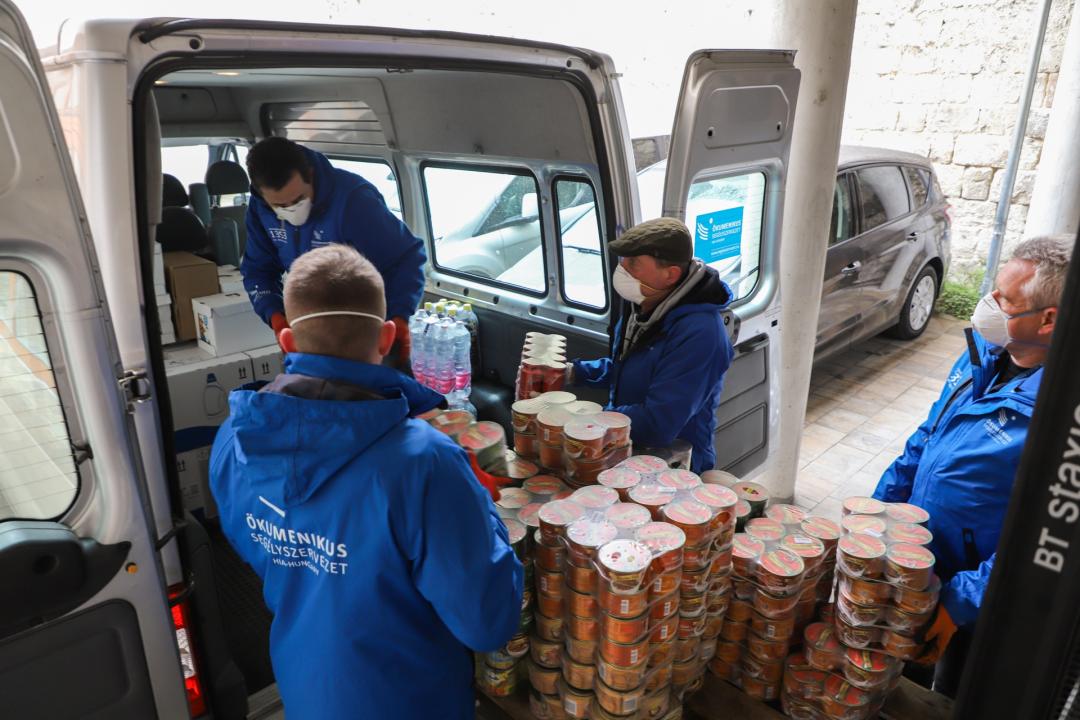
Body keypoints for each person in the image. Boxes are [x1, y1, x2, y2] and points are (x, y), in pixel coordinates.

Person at [210, 245, 523, 720]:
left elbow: (264, 551)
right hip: (412, 700)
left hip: (305, 684)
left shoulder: (233, 439)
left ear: (287, 341)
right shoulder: (426, 462)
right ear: (388, 337)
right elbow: (486, 623)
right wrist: (482, 510)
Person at [871, 235, 1074, 696]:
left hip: (985, 597)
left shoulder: (1062, 413)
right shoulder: (982, 353)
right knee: (894, 675)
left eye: (1006, 299)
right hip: (918, 560)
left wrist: (960, 603)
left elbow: (1042, 534)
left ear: (1048, 320)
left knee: (958, 691)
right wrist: (878, 515)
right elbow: (927, 438)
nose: (989, 303)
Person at [570, 218, 734, 473]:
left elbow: (659, 422)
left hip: (674, 464)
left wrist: (591, 420)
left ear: (670, 275)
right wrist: (575, 372)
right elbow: (629, 369)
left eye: (633, 263)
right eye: (623, 260)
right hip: (631, 446)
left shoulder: (700, 333)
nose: (622, 269)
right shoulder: (644, 305)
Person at [240, 136, 425, 362]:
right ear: (263, 196)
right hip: (308, 332)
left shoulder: (354, 201)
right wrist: (276, 317)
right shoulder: (260, 210)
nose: (291, 209)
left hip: (369, 332)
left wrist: (400, 315)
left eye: (298, 199)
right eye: (280, 206)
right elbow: (258, 271)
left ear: (310, 175)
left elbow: (407, 258)